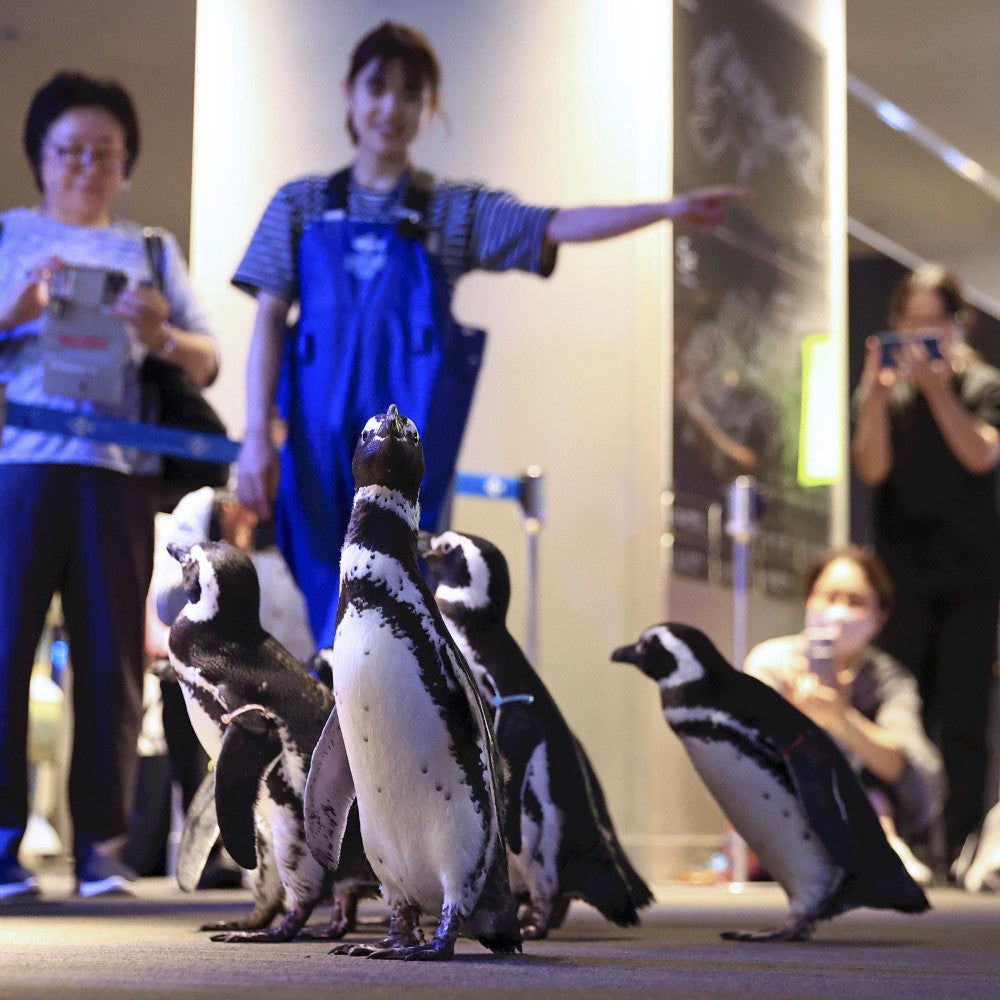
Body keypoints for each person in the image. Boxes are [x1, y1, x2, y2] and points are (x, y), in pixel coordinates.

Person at [233, 20, 746, 648]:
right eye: (377, 87)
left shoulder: (451, 211)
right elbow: (268, 321)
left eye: (411, 93)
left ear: (430, 106)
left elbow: (552, 224)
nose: (391, 107)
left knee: (395, 611)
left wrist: (665, 210)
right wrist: (256, 436)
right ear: (349, 92)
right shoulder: (299, 204)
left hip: (406, 454)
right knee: (320, 603)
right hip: (312, 451)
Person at [0, 72, 218, 900]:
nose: (87, 166)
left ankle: (103, 847)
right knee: (3, 651)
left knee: (112, 659)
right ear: (40, 156)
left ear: (127, 163)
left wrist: (161, 335)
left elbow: (207, 360)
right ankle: (1, 844)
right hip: (19, 468)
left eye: (106, 152)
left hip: (119, 474)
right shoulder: (8, 235)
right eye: (71, 150)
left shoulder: (150, 250)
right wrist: (16, 312)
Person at [851, 264, 1000, 870]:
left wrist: (939, 390)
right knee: (902, 712)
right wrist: (876, 393)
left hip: (971, 580)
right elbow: (871, 468)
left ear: (956, 324)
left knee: (964, 719)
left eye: (931, 324)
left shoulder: (982, 384)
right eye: (908, 324)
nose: (918, 337)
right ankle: (906, 845)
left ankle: (961, 849)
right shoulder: (884, 391)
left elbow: (981, 454)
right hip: (901, 581)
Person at [745, 545, 944, 885]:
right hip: (784, 826)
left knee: (871, 788)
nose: (838, 611)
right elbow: (745, 761)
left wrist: (841, 719)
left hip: (868, 817)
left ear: (880, 616)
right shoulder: (772, 665)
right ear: (809, 600)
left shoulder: (888, 680)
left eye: (855, 601)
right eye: (829, 597)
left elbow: (915, 772)